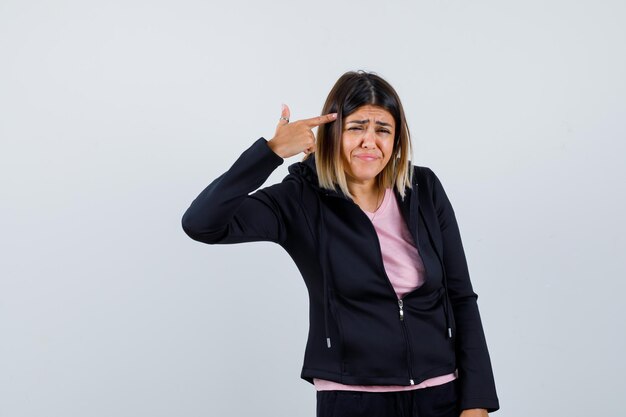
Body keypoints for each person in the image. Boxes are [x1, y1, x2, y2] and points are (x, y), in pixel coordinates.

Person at [181, 70, 500, 416]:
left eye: (382, 130)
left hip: (441, 393)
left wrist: (477, 401)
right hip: (352, 399)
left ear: (396, 139)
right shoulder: (299, 200)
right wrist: (270, 152)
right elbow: (201, 224)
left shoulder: (422, 188)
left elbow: (461, 297)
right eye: (356, 127)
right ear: (334, 134)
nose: (369, 141)